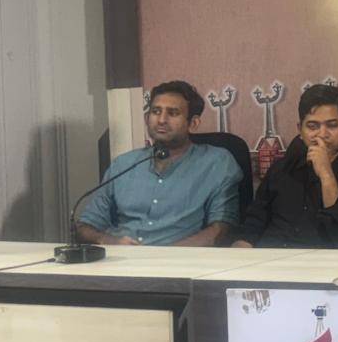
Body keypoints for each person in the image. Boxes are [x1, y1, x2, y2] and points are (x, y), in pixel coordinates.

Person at [77, 80, 241, 246]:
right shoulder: (123, 164)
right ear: (146, 118)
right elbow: (85, 226)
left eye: (173, 113)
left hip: (179, 258)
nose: (162, 120)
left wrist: (167, 255)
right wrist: (110, 241)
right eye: (156, 111)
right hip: (121, 257)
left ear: (193, 123)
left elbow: (219, 230)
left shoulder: (217, 162)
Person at [233, 84, 338, 249]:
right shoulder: (282, 168)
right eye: (313, 126)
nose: (322, 134)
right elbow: (253, 223)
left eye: (332, 125)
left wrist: (326, 174)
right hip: (268, 257)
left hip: (322, 261)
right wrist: (241, 248)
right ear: (300, 130)